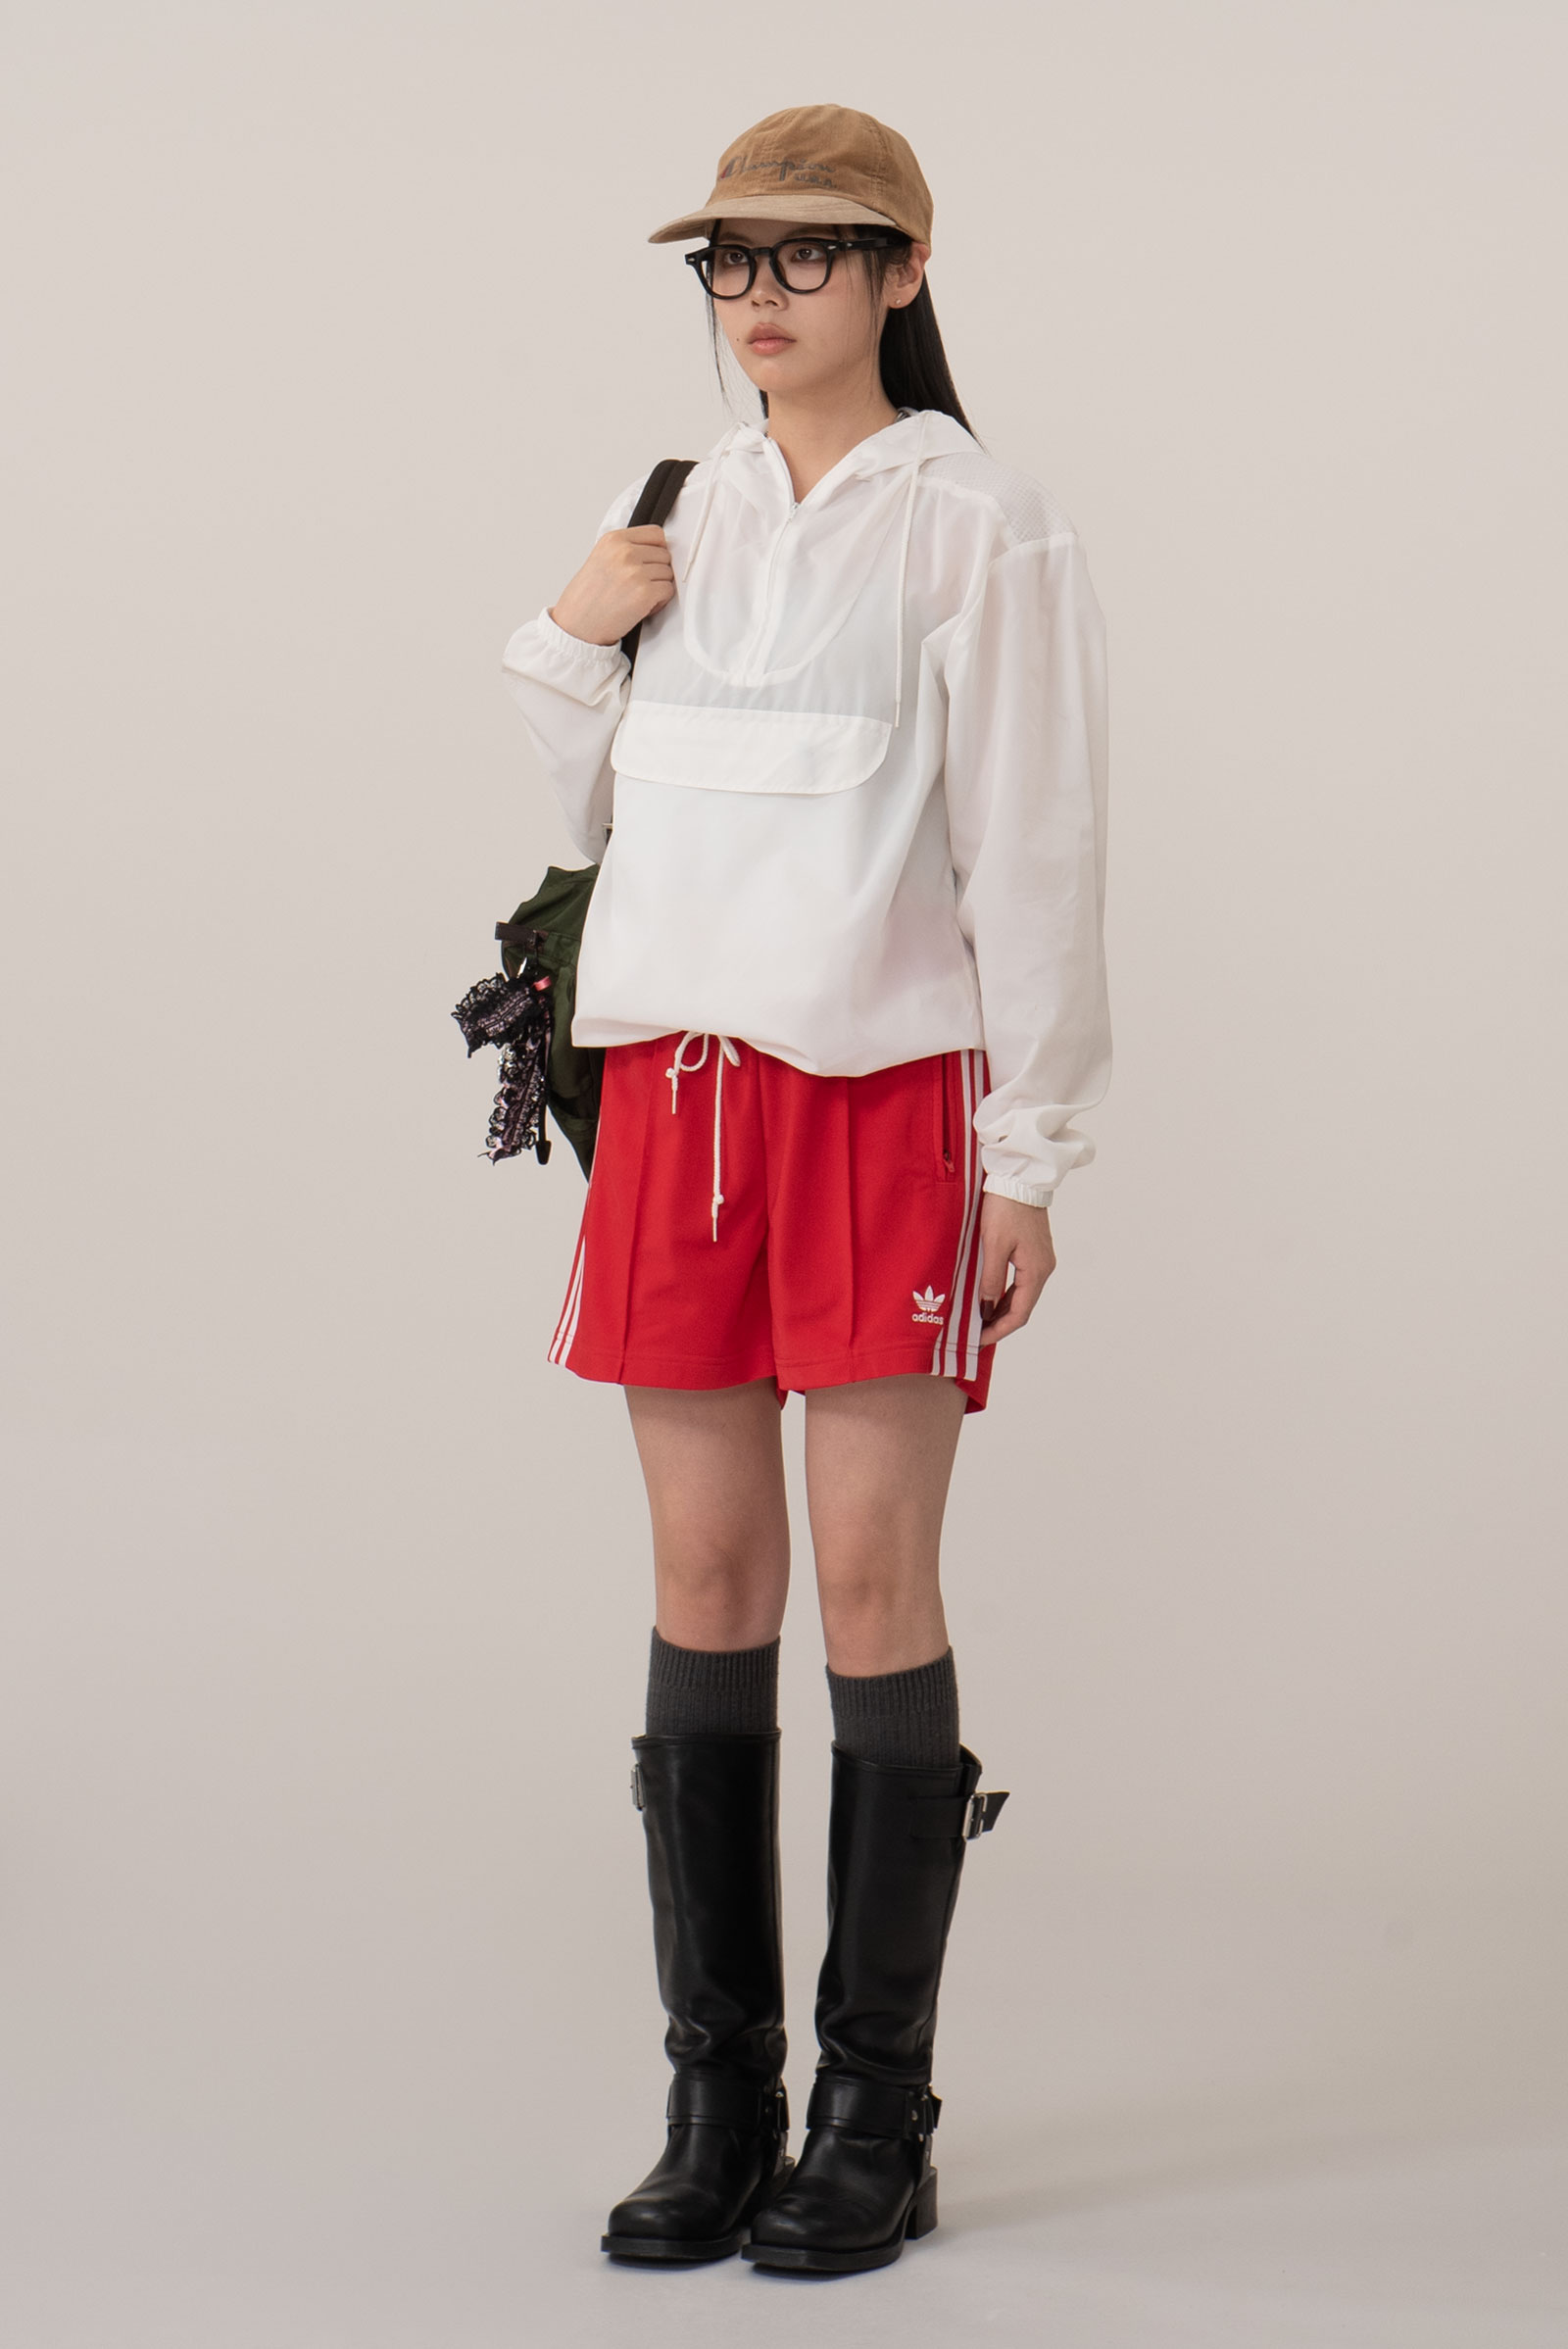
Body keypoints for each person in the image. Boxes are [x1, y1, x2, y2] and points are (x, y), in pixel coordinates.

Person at [499, 103, 1109, 2276]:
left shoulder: (975, 522)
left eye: (808, 255)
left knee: (866, 1578)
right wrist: (572, 630)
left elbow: (1035, 844)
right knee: (702, 1573)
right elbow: (592, 808)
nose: (757, 299)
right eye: (729, 262)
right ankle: (715, 2094)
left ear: (900, 274)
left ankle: (873, 2109)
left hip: (881, 1102)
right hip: (677, 1096)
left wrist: (1029, 1152)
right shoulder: (675, 502)